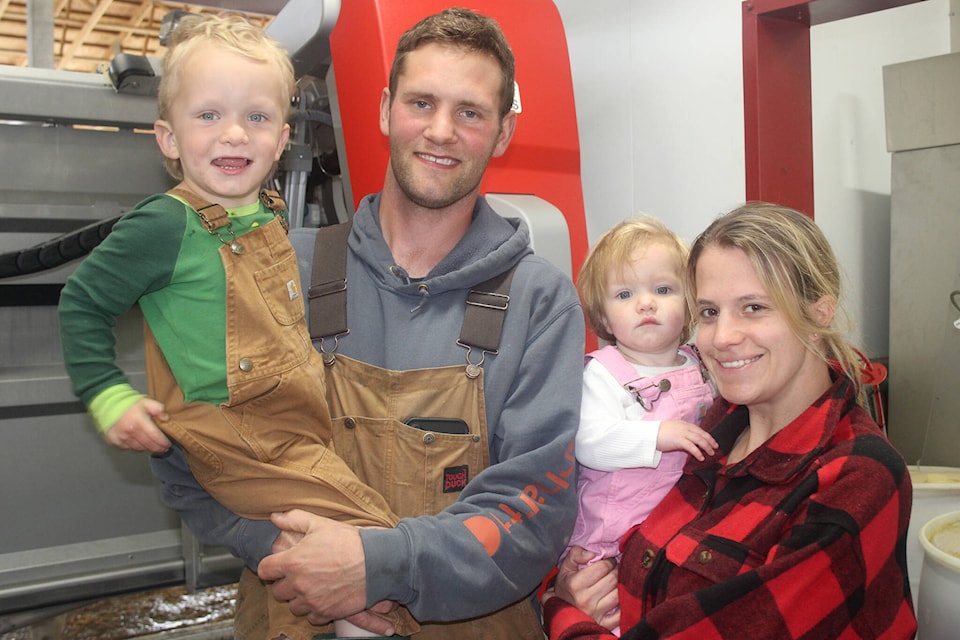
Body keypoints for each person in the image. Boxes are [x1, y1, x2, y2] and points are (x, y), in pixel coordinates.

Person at [148, 7, 585, 640]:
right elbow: (190, 456)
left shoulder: (539, 302)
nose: (441, 131)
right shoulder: (278, 270)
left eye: (471, 112)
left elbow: (534, 510)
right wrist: (300, 560)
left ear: (503, 132)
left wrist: (374, 566)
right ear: (384, 110)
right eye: (422, 102)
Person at [57, 14, 416, 640]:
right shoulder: (165, 224)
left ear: (281, 140)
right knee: (371, 544)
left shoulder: (266, 214)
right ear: (168, 139)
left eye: (255, 117)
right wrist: (109, 395)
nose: (233, 134)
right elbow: (81, 302)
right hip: (237, 433)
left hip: (293, 424)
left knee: (303, 557)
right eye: (207, 116)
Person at [542, 202, 917, 639]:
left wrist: (557, 608)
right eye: (709, 312)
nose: (722, 338)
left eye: (753, 307)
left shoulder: (856, 477)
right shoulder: (712, 427)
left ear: (818, 313)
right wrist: (573, 581)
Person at [564, 216, 718, 635]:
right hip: (613, 533)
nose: (645, 303)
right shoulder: (602, 372)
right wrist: (657, 435)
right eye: (625, 293)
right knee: (617, 613)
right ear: (603, 313)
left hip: (678, 522)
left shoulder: (700, 363)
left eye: (663, 290)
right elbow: (589, 443)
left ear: (690, 302)